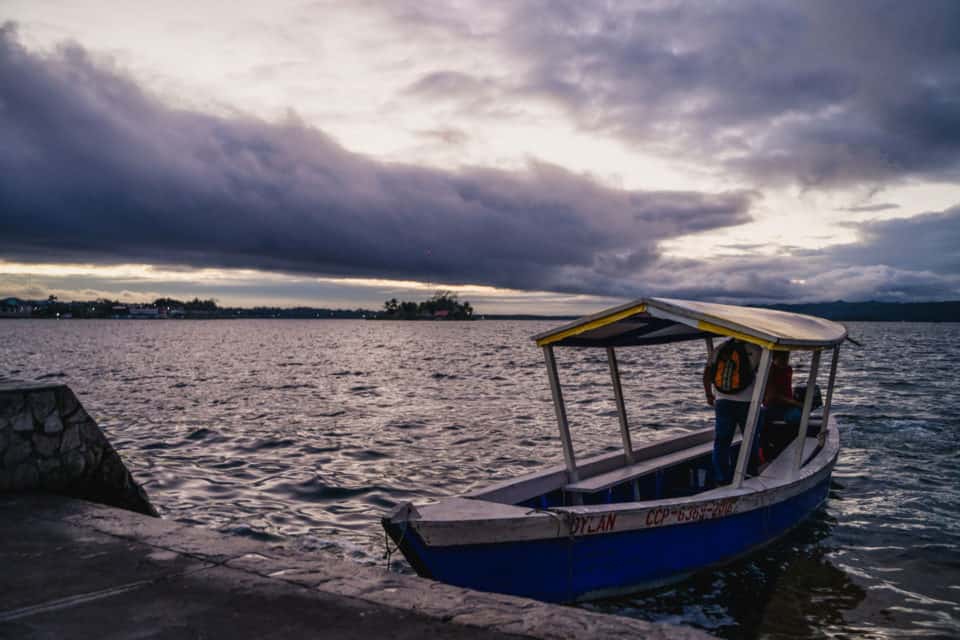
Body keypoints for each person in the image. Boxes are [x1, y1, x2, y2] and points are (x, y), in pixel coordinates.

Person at [703, 338, 764, 485]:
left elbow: (707, 375)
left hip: (723, 401)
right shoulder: (756, 349)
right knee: (750, 438)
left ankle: (721, 477)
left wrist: (709, 395)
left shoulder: (719, 349)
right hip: (748, 401)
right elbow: (765, 374)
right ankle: (751, 473)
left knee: (722, 442)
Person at [761, 351, 805, 459]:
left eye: (787, 356)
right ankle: (767, 450)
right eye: (783, 357)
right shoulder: (770, 370)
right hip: (773, 407)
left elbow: (786, 390)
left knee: (796, 417)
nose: (786, 359)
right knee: (762, 417)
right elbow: (772, 396)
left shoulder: (788, 369)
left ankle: (792, 446)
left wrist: (794, 402)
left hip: (786, 406)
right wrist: (794, 402)